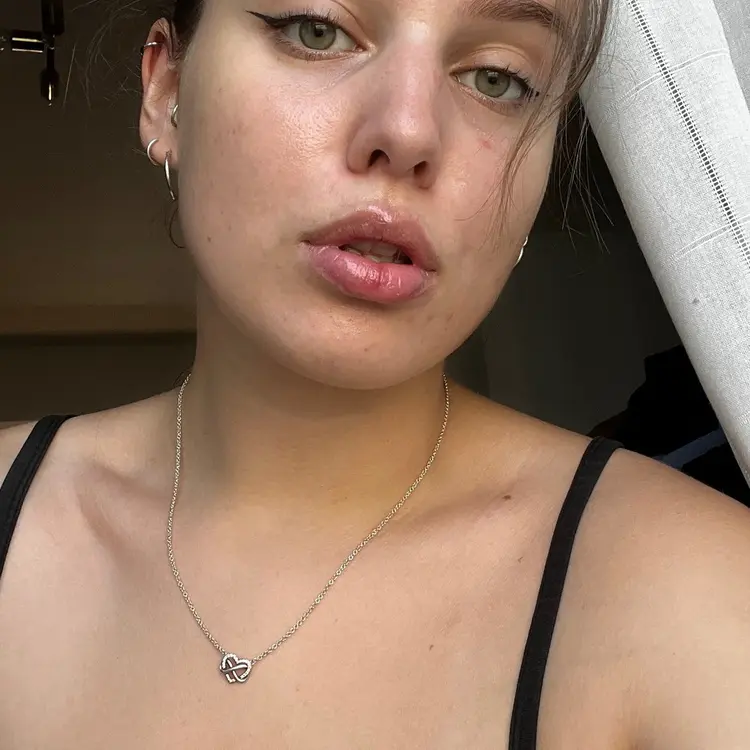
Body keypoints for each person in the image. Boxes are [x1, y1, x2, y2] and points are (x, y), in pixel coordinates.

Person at [1, 0, 749, 747]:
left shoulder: (702, 599)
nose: (408, 131)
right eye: (317, 30)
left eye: (497, 78)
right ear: (166, 89)